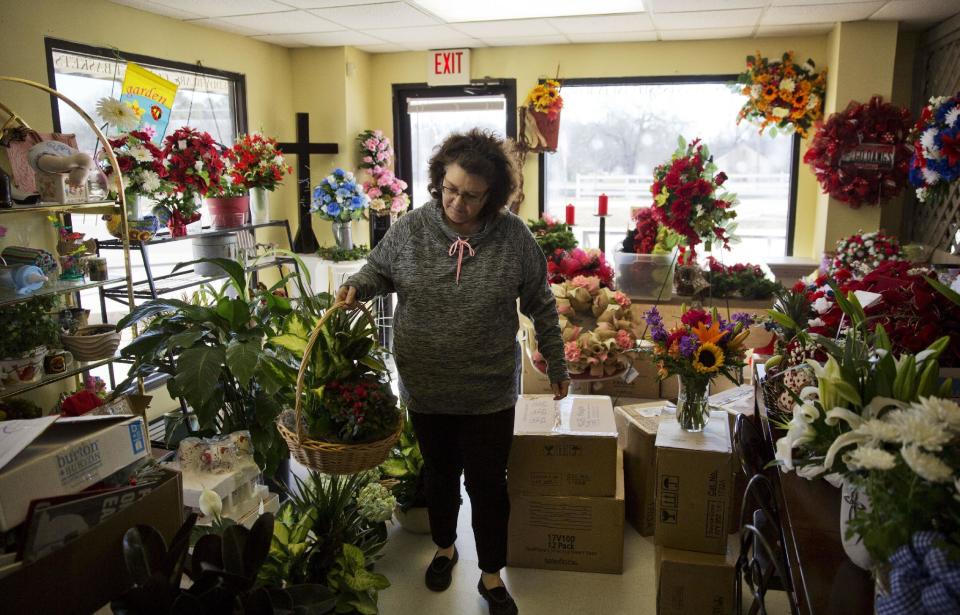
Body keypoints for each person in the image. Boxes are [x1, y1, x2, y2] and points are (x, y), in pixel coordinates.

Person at [337, 128, 569, 615]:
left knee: (489, 484)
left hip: (488, 390)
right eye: (450, 189)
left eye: (471, 195)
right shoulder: (411, 227)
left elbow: (541, 303)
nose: (457, 202)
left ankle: (490, 576)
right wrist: (359, 284)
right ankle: (445, 548)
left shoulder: (513, 238)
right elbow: (378, 269)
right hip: (426, 385)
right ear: (439, 180)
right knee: (439, 475)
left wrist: (556, 360)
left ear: (493, 195)